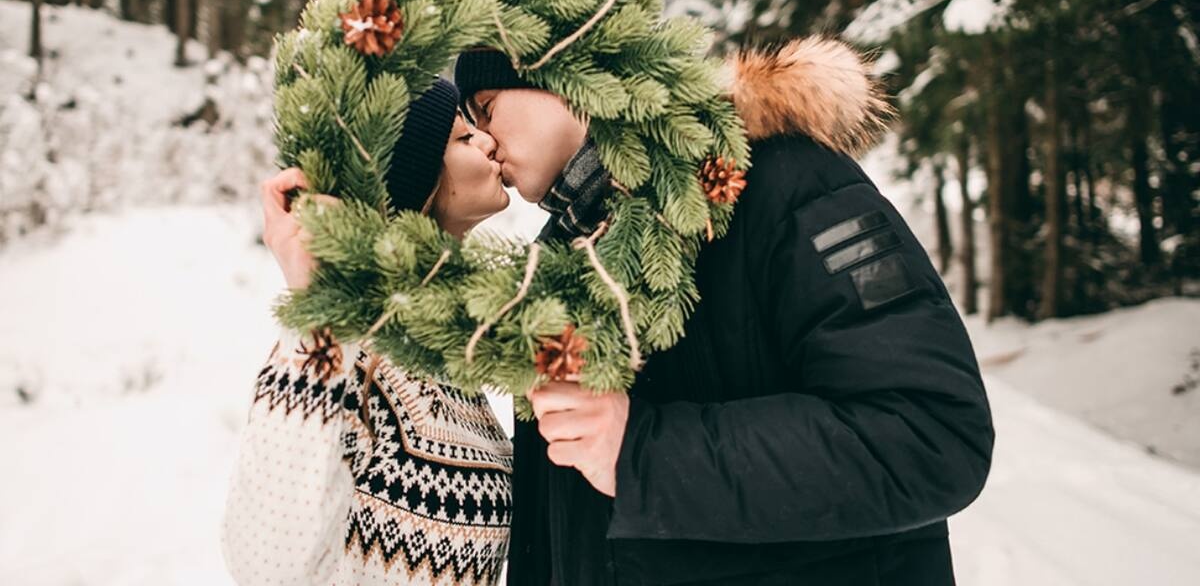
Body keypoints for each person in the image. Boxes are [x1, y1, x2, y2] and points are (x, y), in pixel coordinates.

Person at [452, 38, 995, 586]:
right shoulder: (560, 255)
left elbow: (931, 433)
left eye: (488, 108)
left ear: (565, 73)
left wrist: (641, 452)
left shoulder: (787, 180)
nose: (481, 140)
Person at [221, 78, 515, 586]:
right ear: (415, 185)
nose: (489, 141)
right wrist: (319, 318)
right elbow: (264, 563)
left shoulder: (436, 349)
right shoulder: (350, 354)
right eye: (465, 139)